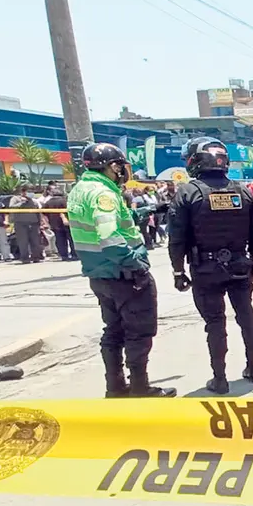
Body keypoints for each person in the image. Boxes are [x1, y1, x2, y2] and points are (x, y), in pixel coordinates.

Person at [67, 142, 175, 398]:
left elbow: (117, 221)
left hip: (99, 275)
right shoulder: (104, 193)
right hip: (123, 274)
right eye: (121, 166)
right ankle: (140, 386)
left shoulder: (80, 189)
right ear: (112, 166)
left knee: (113, 331)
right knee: (138, 331)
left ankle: (115, 386)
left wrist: (151, 211)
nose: (123, 172)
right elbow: (109, 236)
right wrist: (134, 264)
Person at [169, 137, 253, 394]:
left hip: (205, 269)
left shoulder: (188, 192)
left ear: (194, 160)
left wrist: (178, 271)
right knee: (246, 316)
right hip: (240, 265)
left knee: (215, 323)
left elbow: (176, 237)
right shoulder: (242, 191)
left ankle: (219, 378)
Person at [8, 187, 44, 263]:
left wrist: (40, 223)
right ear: (22, 192)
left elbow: (38, 211)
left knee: (35, 241)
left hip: (33, 223)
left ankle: (36, 257)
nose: (29, 193)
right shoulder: (15, 199)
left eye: (30, 191)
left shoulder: (33, 200)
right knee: (23, 242)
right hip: (20, 224)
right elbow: (11, 207)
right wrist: (21, 203)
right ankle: (25, 258)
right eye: (27, 191)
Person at [42, 185, 77, 261]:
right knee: (71, 239)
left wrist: (47, 223)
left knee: (60, 241)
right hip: (68, 223)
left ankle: (64, 255)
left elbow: (43, 213)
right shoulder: (65, 201)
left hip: (55, 224)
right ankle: (74, 255)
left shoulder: (48, 202)